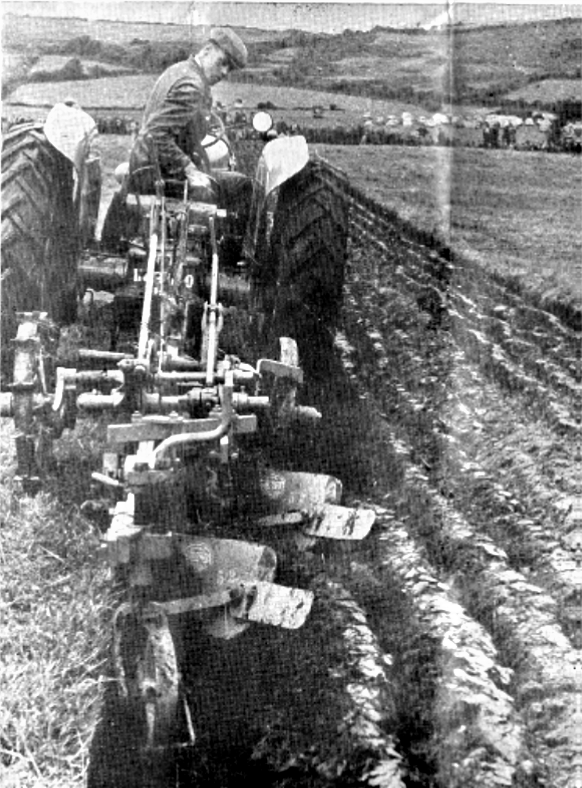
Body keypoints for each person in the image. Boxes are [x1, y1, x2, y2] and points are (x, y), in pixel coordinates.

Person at [128, 27, 247, 195]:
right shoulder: (193, 85)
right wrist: (189, 167)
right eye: (223, 62)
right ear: (207, 51)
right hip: (160, 177)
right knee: (243, 186)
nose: (224, 72)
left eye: (230, 69)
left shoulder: (179, 69)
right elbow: (155, 134)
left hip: (147, 168)